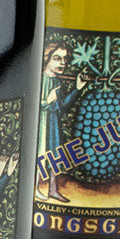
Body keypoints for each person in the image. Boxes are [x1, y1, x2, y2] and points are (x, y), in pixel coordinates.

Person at [37, 42, 86, 202]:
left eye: (64, 59)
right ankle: (35, 189)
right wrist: (46, 101)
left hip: (53, 123)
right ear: (47, 58)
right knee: (39, 154)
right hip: (41, 123)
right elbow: (34, 104)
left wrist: (77, 89)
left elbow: (63, 105)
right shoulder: (39, 77)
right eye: (57, 58)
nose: (62, 63)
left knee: (54, 156)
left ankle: (53, 190)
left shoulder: (57, 82)